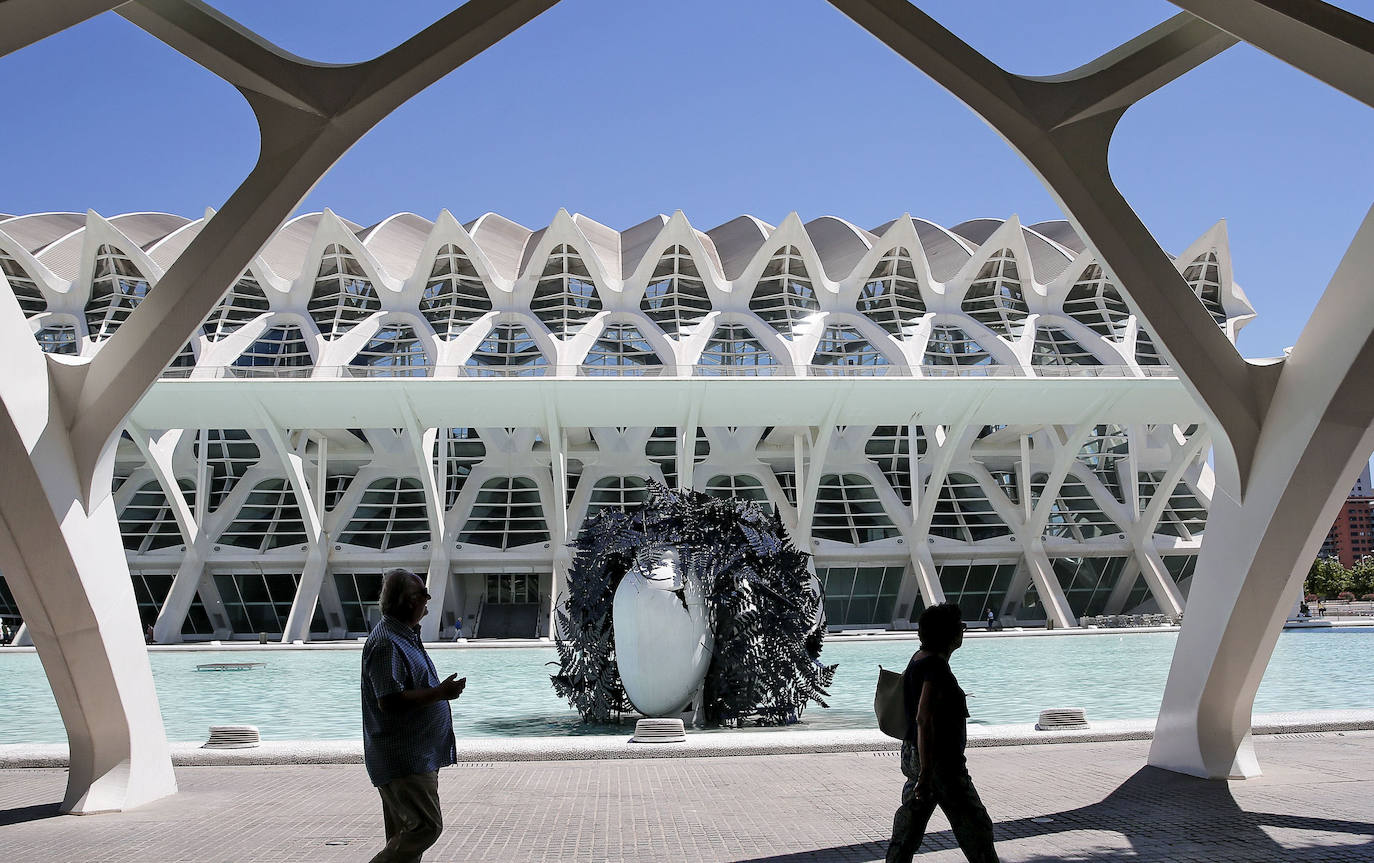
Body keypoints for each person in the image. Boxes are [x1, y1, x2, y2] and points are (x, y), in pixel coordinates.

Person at [362, 568, 465, 863]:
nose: (429, 600)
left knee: (405, 837)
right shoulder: (387, 643)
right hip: (404, 757)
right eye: (423, 594)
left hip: (415, 754)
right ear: (408, 601)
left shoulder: (403, 636)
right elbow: (389, 700)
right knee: (426, 827)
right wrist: (440, 693)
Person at [888, 603, 998, 863]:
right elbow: (924, 718)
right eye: (960, 626)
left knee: (909, 827)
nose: (963, 630)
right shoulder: (935, 667)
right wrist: (926, 774)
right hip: (940, 763)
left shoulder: (919, 659)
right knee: (976, 826)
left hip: (918, 755)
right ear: (947, 634)